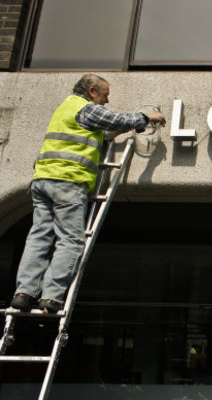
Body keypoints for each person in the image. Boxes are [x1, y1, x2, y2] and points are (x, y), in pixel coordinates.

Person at [10, 74, 166, 313]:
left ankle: (24, 293)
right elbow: (115, 118)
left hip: (43, 179)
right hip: (68, 181)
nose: (106, 99)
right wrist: (147, 117)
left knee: (39, 238)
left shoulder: (66, 108)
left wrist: (115, 134)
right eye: (104, 95)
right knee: (70, 240)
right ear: (92, 91)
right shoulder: (85, 108)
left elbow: (98, 133)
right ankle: (51, 297)